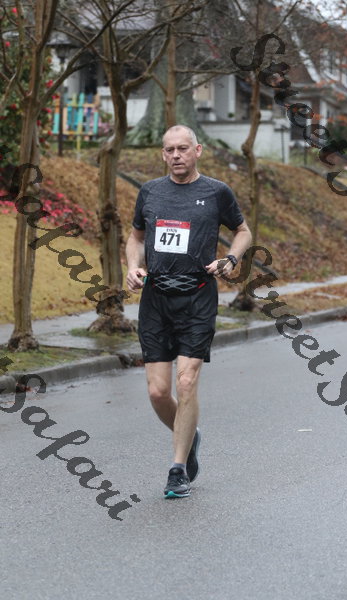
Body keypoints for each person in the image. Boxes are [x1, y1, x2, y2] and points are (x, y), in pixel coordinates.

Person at [126, 124, 252, 498]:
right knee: (158, 392)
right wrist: (132, 266)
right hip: (156, 298)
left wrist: (231, 258)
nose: (176, 155)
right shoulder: (150, 192)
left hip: (197, 296)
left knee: (186, 381)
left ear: (197, 151)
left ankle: (177, 469)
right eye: (170, 150)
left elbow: (243, 232)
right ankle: (189, 432)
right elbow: (135, 237)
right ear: (163, 154)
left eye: (183, 148)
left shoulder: (216, 192)